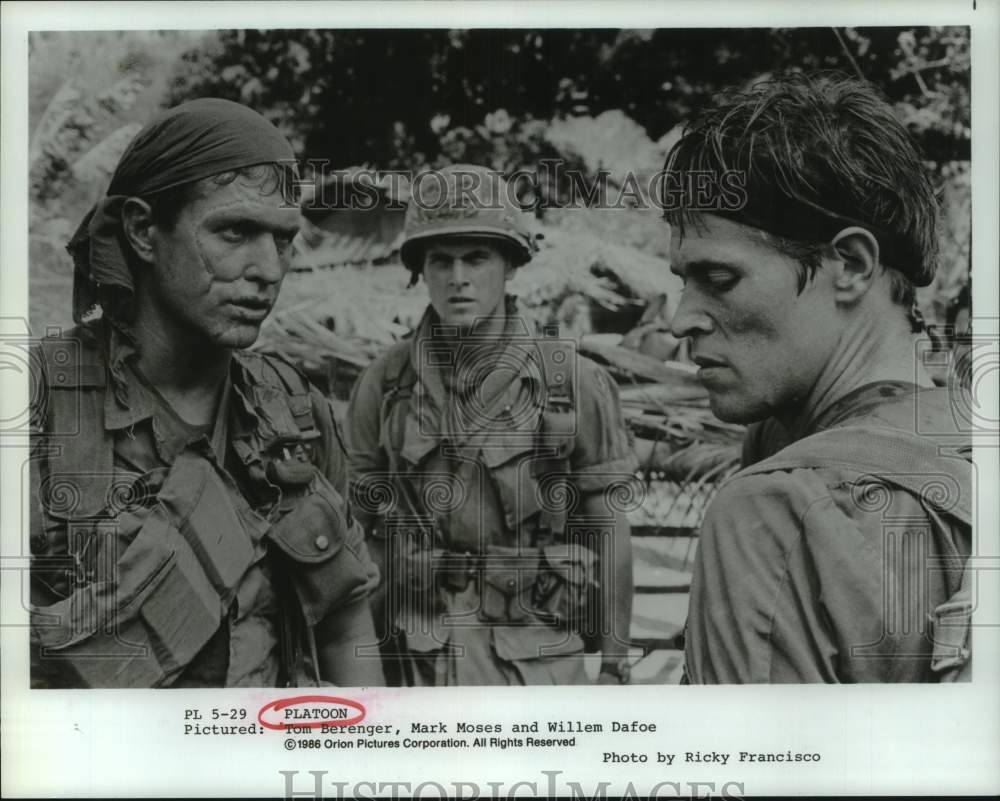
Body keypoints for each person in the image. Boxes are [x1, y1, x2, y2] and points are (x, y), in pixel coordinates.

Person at [29, 98, 384, 689]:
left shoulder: (294, 413)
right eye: (236, 231)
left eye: (283, 240)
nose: (268, 268)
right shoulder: (37, 407)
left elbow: (346, 628)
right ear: (144, 230)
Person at [663, 73, 973, 683]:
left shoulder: (774, 512)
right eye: (682, 281)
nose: (681, 319)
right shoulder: (973, 446)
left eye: (719, 279)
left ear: (852, 266)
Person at [344, 164, 637, 686]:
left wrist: (614, 665)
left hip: (535, 667)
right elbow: (357, 533)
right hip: (416, 663)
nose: (458, 277)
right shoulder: (386, 383)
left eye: (476, 257)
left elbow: (608, 527)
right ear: (420, 271)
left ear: (509, 266)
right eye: (441, 260)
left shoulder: (572, 382)